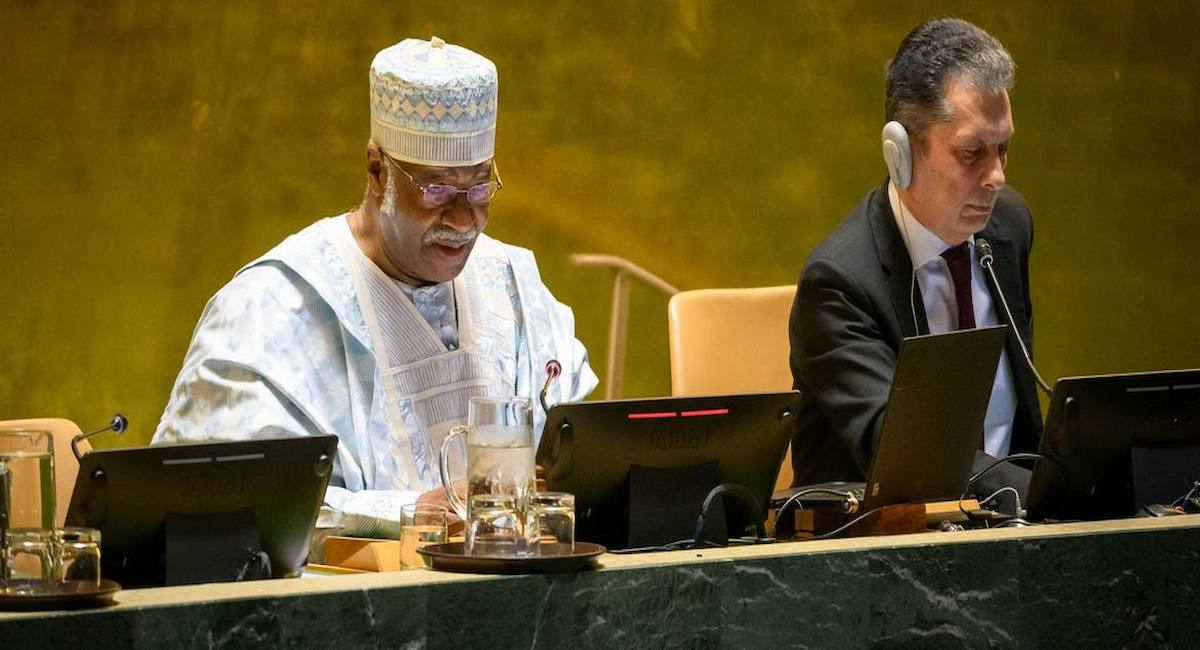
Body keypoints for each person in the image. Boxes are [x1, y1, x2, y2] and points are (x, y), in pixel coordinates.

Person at [153, 36, 597, 537]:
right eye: (435, 189)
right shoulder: (275, 307)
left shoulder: (511, 287)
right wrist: (405, 514)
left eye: (478, 187)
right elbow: (222, 502)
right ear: (377, 170)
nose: (462, 218)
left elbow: (580, 458)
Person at [788, 19, 1042, 503]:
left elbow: (1022, 426)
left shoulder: (1009, 227)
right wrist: (1044, 495)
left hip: (1010, 536)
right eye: (972, 153)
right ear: (899, 152)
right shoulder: (839, 284)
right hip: (875, 553)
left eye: (1003, 149)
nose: (996, 178)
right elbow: (913, 461)